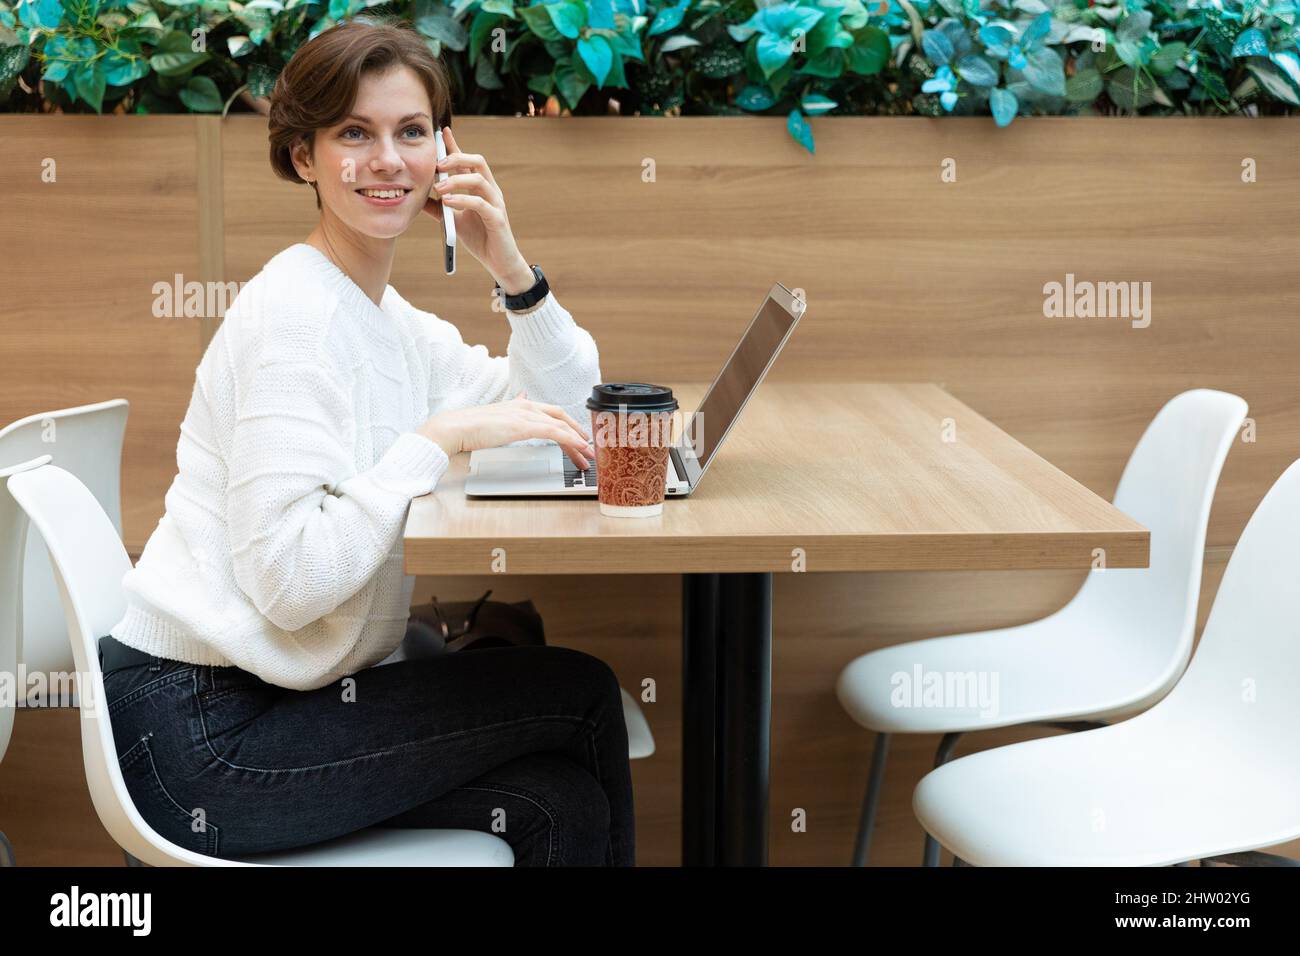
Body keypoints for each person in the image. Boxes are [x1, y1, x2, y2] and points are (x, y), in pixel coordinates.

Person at [100, 16, 635, 866]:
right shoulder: (297, 318)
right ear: (305, 157)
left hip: (273, 699)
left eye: (410, 132)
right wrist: (436, 439)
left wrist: (514, 270)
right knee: (582, 693)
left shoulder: (382, 317)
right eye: (355, 132)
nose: (387, 159)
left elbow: (570, 407)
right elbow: (288, 579)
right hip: (200, 737)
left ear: (443, 155)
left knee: (555, 801)